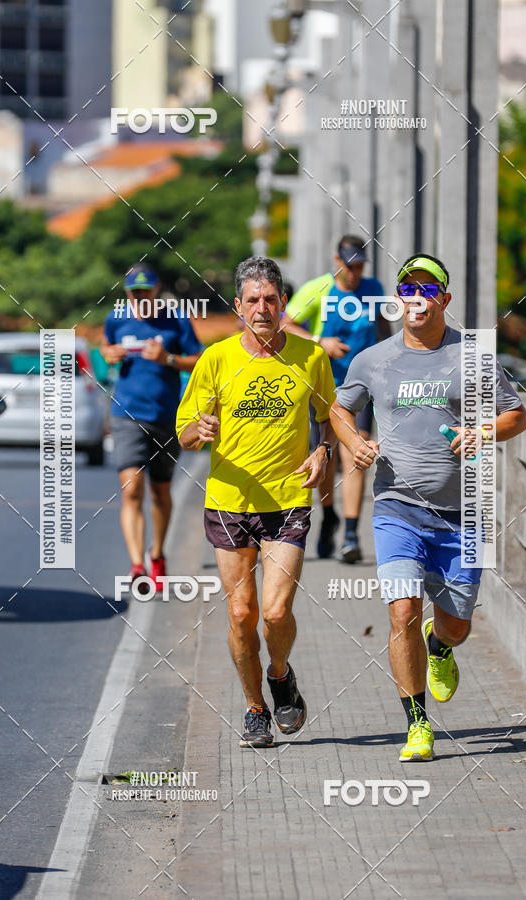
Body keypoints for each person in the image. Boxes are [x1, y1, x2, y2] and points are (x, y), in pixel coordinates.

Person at [330, 253, 526, 761]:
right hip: (397, 507)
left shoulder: (474, 356)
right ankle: (418, 726)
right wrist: (352, 441)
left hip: (467, 507)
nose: (416, 297)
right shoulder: (373, 359)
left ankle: (439, 646)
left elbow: (516, 416)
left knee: (457, 624)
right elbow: (339, 407)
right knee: (401, 612)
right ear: (398, 299)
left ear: (444, 298)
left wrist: (481, 431)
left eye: (426, 288)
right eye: (407, 288)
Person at [176, 256, 337, 749]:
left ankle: (281, 675)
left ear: (283, 302)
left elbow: (332, 415)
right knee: (241, 614)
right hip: (228, 502)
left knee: (273, 611)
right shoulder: (216, 359)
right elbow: (183, 434)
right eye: (253, 300)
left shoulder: (311, 358)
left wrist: (324, 450)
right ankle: (253, 708)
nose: (262, 308)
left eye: (271, 299)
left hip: (287, 501)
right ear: (239, 306)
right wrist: (197, 431)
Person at [282, 234, 389, 562]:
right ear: (337, 261)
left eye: (360, 266)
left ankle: (352, 534)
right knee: (325, 456)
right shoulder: (318, 289)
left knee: (356, 452)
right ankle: (329, 515)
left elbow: (383, 326)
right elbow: (285, 324)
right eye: (350, 265)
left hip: (364, 387)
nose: (355, 272)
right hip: (325, 388)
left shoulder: (373, 289)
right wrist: (319, 341)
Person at [101, 264, 201, 589]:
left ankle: (157, 554)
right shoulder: (116, 320)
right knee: (132, 490)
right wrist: (109, 354)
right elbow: (106, 347)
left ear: (156, 290)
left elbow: (199, 360)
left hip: (166, 416)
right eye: (135, 292)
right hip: (126, 413)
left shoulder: (175, 320)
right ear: (127, 293)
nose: (141, 296)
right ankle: (136, 566)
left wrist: (168, 359)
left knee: (160, 492)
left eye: (146, 290)